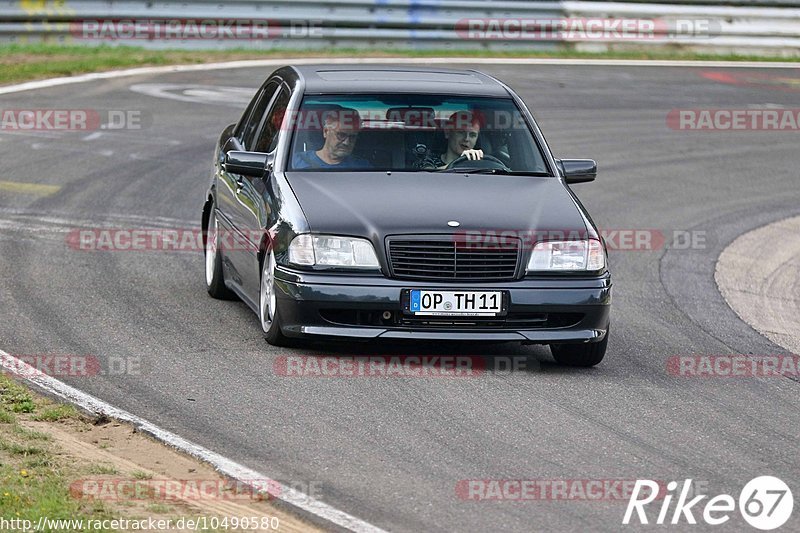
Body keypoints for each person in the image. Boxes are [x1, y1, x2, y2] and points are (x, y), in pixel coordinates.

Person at [292, 108, 371, 169]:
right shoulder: (296, 162)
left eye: (352, 137)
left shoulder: (363, 167)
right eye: (341, 135)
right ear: (326, 132)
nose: (346, 142)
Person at [415, 110, 484, 170]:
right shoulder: (428, 160)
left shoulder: (483, 163)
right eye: (461, 132)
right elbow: (428, 176)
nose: (466, 139)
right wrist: (462, 162)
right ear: (447, 132)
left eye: (472, 135)